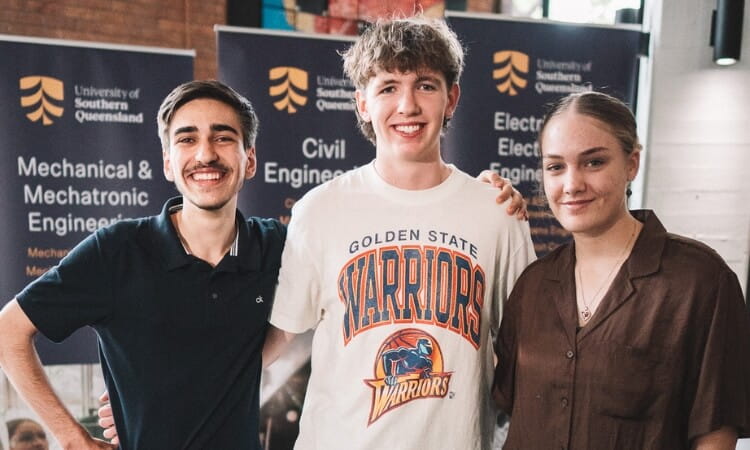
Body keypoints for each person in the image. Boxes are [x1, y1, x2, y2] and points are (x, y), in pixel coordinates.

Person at [264, 16, 536, 449]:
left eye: (425, 85)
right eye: (388, 87)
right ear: (363, 103)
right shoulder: (319, 210)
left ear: (452, 98)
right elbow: (274, 339)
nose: (407, 105)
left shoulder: (498, 214)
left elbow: (532, 352)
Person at [0, 80, 286, 449]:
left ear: (250, 160)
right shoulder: (117, 251)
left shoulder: (274, 247)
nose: (205, 154)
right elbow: (9, 332)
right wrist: (73, 439)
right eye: (186, 139)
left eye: (223, 137)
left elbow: (298, 322)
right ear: (168, 163)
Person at [493, 91, 750, 449]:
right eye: (555, 166)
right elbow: (506, 405)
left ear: (631, 164)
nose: (571, 185)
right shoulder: (534, 286)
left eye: (593, 162)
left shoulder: (700, 282)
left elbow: (715, 433)